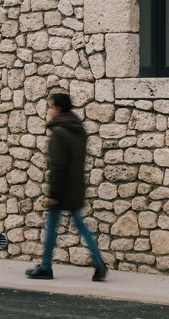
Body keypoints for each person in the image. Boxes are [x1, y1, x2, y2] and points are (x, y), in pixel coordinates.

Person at [26, 92, 108, 282]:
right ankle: (99, 262)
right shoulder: (78, 130)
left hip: (61, 190)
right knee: (81, 226)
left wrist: (53, 194)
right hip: (75, 187)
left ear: (59, 109)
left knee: (51, 227)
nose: (49, 110)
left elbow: (58, 167)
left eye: (51, 107)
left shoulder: (60, 133)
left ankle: (45, 267)